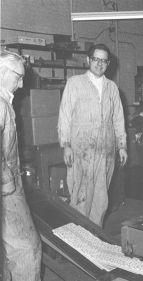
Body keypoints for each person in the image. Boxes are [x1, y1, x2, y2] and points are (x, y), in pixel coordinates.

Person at [58, 43, 128, 226]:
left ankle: (95, 235)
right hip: (81, 150)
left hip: (105, 151)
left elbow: (118, 118)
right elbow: (64, 116)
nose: (99, 64)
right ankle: (79, 236)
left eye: (104, 61)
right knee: (79, 193)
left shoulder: (112, 88)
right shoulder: (75, 83)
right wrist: (65, 145)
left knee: (101, 196)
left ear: (108, 64)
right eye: (96, 59)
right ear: (88, 60)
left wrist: (122, 145)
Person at [0, 50, 42, 281]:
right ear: (3, 72)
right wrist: (7, 181)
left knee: (8, 251)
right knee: (28, 249)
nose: (22, 82)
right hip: (6, 188)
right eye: (18, 76)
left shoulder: (5, 100)